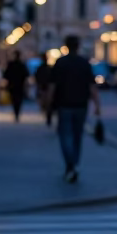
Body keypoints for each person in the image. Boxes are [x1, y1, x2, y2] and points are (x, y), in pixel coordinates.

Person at [46, 35, 101, 182]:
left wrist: (49, 104)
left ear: (66, 46)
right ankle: (74, 164)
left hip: (64, 104)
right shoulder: (84, 63)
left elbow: (52, 86)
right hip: (81, 105)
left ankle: (70, 164)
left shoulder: (60, 63)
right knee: (77, 137)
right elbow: (92, 86)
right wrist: (97, 106)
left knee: (65, 136)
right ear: (78, 46)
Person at [3, 50, 29, 122]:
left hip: (13, 85)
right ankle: (17, 112)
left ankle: (16, 112)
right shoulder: (21, 65)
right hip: (19, 85)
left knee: (14, 99)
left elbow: (6, 75)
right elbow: (26, 75)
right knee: (18, 100)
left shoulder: (11, 64)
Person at [35, 57, 52, 124]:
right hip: (46, 87)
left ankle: (45, 111)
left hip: (43, 87)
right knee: (48, 102)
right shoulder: (48, 68)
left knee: (45, 101)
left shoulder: (41, 68)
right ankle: (47, 113)